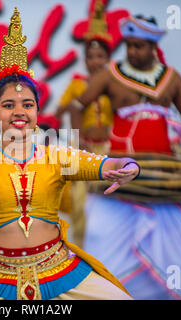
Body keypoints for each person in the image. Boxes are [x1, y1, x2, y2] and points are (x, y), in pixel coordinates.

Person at [0, 7, 139, 300]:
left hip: (58, 271)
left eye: (28, 105)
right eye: (8, 105)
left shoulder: (57, 156)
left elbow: (108, 162)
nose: (19, 112)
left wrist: (131, 165)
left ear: (37, 110)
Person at [59, 15, 181, 299]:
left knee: (180, 233)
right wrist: (78, 143)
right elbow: (77, 104)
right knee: (100, 234)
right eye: (129, 45)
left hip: (161, 178)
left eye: (139, 46)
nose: (132, 51)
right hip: (119, 175)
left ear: (153, 46)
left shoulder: (171, 79)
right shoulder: (111, 73)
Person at [55, 0, 116, 247]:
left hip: (110, 149)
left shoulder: (115, 86)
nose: (95, 61)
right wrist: (74, 107)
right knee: (80, 204)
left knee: (109, 205)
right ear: (85, 59)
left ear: (108, 58)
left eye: (100, 56)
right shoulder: (78, 86)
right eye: (90, 56)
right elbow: (62, 108)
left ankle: (107, 257)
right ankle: (79, 254)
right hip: (82, 147)